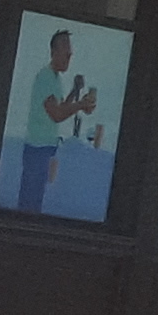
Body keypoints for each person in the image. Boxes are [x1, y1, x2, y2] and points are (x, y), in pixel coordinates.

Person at [15, 30, 96, 212]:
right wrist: (81, 104)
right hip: (37, 150)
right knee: (29, 204)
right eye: (66, 51)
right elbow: (56, 114)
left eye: (70, 52)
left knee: (35, 201)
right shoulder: (45, 77)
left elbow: (60, 108)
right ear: (54, 52)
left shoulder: (54, 79)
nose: (69, 55)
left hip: (45, 149)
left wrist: (75, 92)